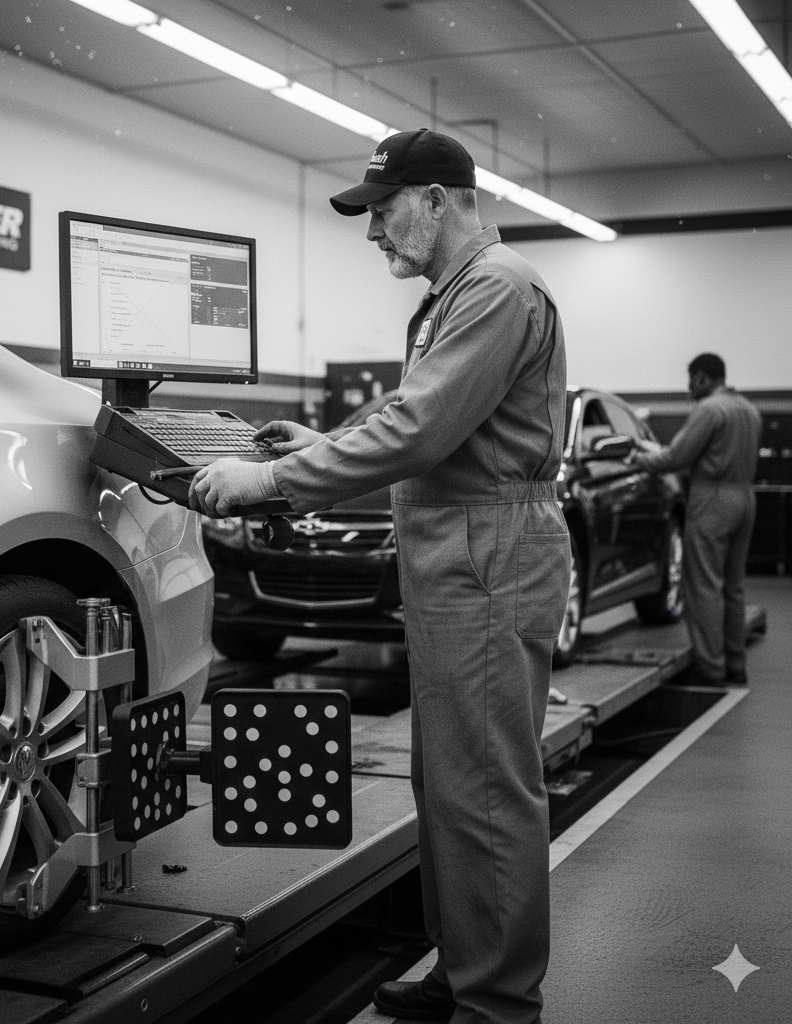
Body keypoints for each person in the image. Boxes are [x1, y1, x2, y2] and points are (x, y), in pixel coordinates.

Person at [189, 128, 570, 1024]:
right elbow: (425, 420)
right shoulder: (459, 293)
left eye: (383, 211)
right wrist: (326, 447)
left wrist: (270, 480)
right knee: (447, 780)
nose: (373, 234)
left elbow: (420, 430)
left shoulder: (498, 289)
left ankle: (498, 1001)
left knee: (485, 787)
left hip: (489, 555)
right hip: (457, 551)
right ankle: (463, 964)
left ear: (438, 200)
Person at [630, 353, 762, 684]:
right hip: (745, 497)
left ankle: (711, 669)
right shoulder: (749, 410)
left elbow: (677, 457)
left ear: (702, 377)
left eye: (691, 379)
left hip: (713, 500)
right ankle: (735, 665)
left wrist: (640, 458)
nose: (689, 387)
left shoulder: (709, 410)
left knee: (704, 586)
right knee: (733, 586)